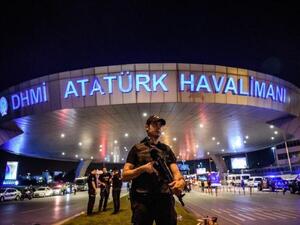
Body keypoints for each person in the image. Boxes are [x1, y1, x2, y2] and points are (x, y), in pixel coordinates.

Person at [122, 115, 185, 225]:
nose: (158, 127)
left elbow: (176, 173)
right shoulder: (137, 149)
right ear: (147, 127)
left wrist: (181, 182)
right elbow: (125, 175)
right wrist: (143, 169)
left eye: (160, 125)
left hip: (164, 199)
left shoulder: (166, 149)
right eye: (155, 124)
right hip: (142, 201)